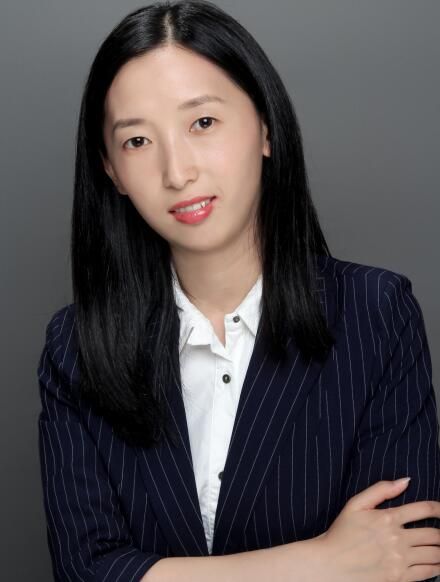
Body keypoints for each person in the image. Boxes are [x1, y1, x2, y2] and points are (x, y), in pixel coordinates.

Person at [36, 1, 440, 581]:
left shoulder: (376, 315)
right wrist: (319, 562)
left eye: (202, 123)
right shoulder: (75, 347)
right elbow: (85, 571)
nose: (178, 173)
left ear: (265, 127)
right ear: (111, 170)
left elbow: (400, 561)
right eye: (138, 141)